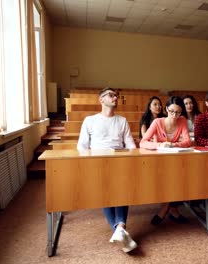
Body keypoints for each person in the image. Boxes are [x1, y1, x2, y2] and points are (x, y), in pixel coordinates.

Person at [77, 87, 138, 253]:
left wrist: (131, 157)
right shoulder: (90, 120)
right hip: (98, 162)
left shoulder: (122, 120)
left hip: (119, 160)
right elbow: (82, 146)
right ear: (101, 99)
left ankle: (119, 230)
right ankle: (120, 228)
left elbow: (130, 145)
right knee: (106, 188)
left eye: (116, 96)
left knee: (122, 186)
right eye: (110, 95)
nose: (115, 98)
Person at [139, 96, 191, 225]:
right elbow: (143, 142)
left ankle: (166, 208)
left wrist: (174, 145)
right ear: (166, 109)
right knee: (169, 178)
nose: (174, 115)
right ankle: (171, 209)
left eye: (178, 112)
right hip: (160, 161)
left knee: (181, 176)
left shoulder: (182, 120)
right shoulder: (158, 122)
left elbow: (188, 141)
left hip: (175, 159)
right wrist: (160, 145)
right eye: (172, 111)